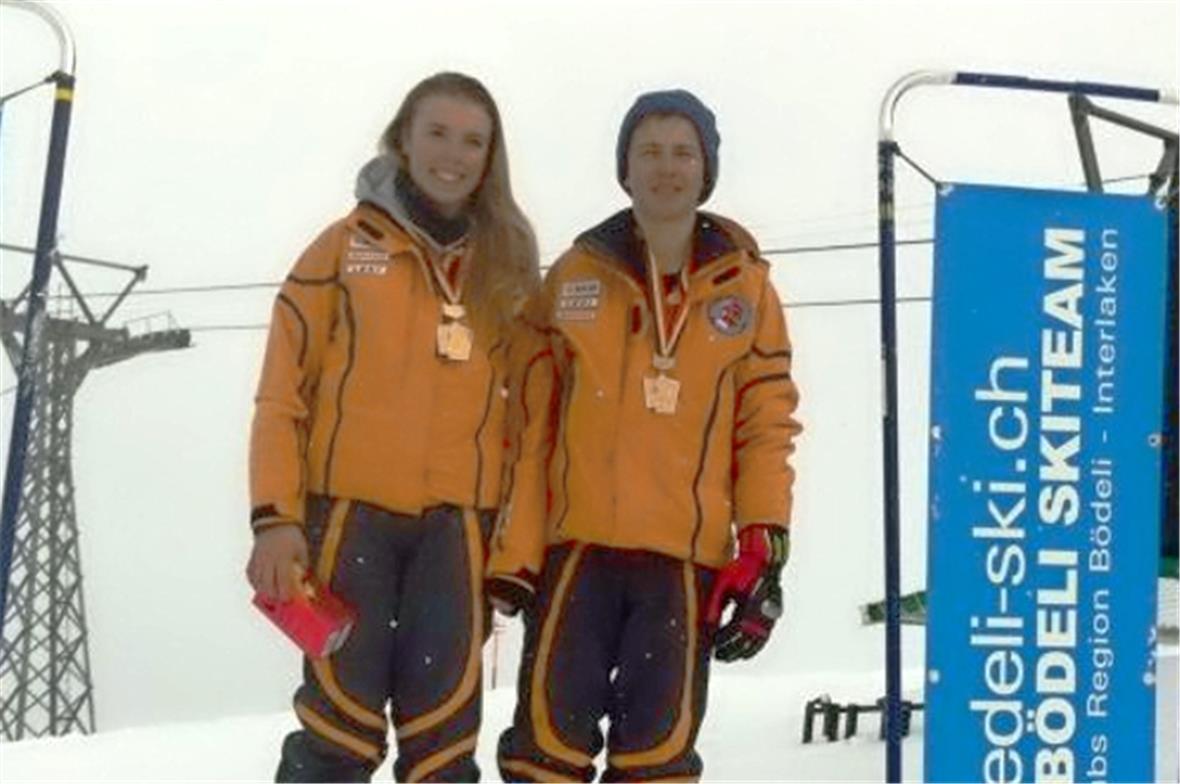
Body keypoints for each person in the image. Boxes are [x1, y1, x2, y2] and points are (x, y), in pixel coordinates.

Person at [486, 88, 802, 783]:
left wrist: (763, 540)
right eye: (649, 151)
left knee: (656, 764)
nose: (667, 167)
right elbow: (529, 419)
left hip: (682, 568)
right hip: (578, 556)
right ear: (625, 168)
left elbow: (766, 424)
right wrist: (513, 548)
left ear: (706, 169)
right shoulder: (575, 275)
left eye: (683, 152)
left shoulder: (745, 289)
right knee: (543, 756)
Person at [246, 71, 539, 783]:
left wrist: (516, 549)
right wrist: (274, 520)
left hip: (457, 537)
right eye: (437, 132)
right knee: (337, 734)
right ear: (403, 140)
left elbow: (531, 423)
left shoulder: (507, 267)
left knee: (442, 743)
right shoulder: (341, 251)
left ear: (490, 157)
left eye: (473, 141)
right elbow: (282, 394)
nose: (453, 153)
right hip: (351, 523)